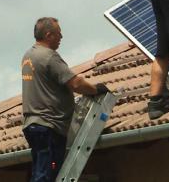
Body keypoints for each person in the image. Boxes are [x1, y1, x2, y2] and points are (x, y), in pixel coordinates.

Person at [21, 17, 109, 182]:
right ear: (48, 35)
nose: (61, 37)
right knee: (47, 175)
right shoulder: (49, 56)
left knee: (41, 171)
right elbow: (75, 83)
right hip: (49, 126)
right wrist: (95, 89)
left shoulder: (29, 55)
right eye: (58, 34)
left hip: (33, 124)